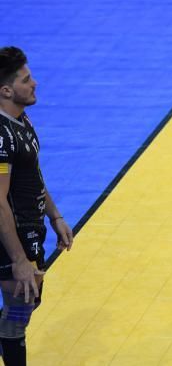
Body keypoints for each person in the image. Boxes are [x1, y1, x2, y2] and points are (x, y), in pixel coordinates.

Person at [0, 47, 74, 366]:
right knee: (17, 315)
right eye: (27, 80)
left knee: (28, 303)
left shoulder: (22, 120)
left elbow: (32, 175)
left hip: (31, 228)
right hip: (11, 237)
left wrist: (54, 215)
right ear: (6, 90)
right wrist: (17, 259)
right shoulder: (2, 138)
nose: (35, 83)